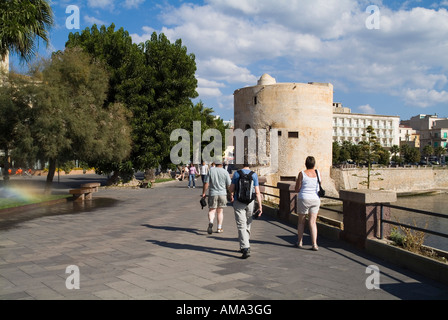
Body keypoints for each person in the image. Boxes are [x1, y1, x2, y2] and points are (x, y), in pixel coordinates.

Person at [229, 163, 263, 259]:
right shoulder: (254, 175)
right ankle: (244, 245)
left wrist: (231, 194)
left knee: (241, 225)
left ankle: (245, 247)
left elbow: (231, 189)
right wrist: (260, 206)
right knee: (248, 223)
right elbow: (257, 192)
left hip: (239, 202)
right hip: (250, 202)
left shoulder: (237, 174)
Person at [294, 156, 321, 251]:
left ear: (306, 164)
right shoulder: (318, 173)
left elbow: (297, 188)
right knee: (313, 222)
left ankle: (300, 242)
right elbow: (319, 186)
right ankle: (314, 244)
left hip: (304, 198)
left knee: (301, 222)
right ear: (314, 164)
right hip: (315, 199)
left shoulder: (302, 174)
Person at [202, 161, 231, 234]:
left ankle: (211, 221)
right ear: (222, 164)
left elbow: (206, 183)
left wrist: (204, 193)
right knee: (220, 211)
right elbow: (229, 185)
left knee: (212, 210)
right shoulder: (225, 172)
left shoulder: (211, 170)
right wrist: (231, 194)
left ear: (215, 164)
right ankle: (219, 228)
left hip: (213, 193)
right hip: (222, 194)